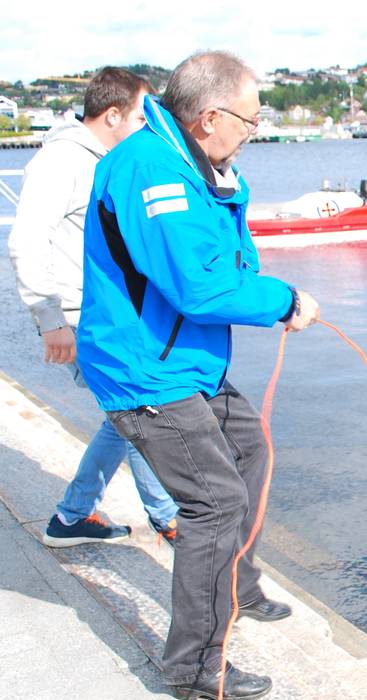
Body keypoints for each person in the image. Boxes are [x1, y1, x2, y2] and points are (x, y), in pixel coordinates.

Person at [78, 51, 320, 700]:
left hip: (185, 361)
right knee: (214, 502)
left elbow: (230, 257)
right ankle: (192, 666)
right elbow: (200, 288)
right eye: (251, 119)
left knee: (249, 449)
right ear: (210, 116)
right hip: (148, 371)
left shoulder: (196, 163)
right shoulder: (152, 172)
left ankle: (235, 586)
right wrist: (285, 301)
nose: (254, 131)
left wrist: (232, 194)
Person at [7, 67, 181, 548]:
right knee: (143, 406)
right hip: (78, 320)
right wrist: (50, 321)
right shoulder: (62, 161)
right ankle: (168, 519)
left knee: (123, 415)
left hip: (105, 315)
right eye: (142, 119)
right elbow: (25, 240)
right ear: (111, 115)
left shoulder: (102, 161)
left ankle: (73, 515)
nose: (148, 130)